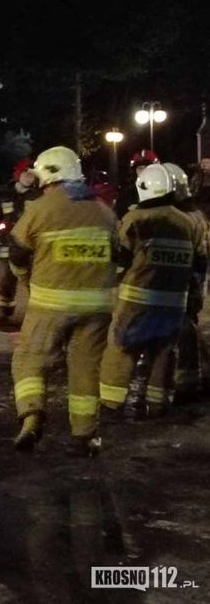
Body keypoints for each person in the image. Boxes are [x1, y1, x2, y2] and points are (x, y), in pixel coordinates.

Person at [8, 146, 117, 456]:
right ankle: (85, 435)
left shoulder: (41, 209)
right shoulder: (105, 211)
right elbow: (120, 254)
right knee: (86, 367)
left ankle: (31, 416)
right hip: (98, 307)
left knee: (30, 358)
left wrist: (26, 280)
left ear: (47, 174)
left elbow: (16, 253)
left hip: (50, 306)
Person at [98, 163, 205, 419]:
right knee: (163, 353)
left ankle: (112, 403)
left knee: (121, 349)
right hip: (174, 305)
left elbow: (118, 257)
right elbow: (199, 265)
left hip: (136, 302)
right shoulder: (190, 222)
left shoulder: (137, 218)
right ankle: (158, 404)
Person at [163, 163, 208, 403]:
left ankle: (187, 382)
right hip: (187, 280)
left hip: (183, 282)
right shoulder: (191, 215)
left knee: (183, 328)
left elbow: (198, 255)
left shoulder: (186, 217)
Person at [0, 160, 39, 325]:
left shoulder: (38, 197)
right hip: (8, 245)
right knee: (7, 281)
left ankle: (36, 316)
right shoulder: (5, 197)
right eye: (26, 174)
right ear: (17, 175)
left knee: (33, 281)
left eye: (32, 175)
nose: (30, 178)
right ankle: (4, 313)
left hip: (31, 246)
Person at [115, 149, 159, 216]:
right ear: (134, 171)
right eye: (140, 168)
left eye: (147, 168)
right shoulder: (126, 194)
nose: (144, 171)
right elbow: (119, 216)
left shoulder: (163, 190)